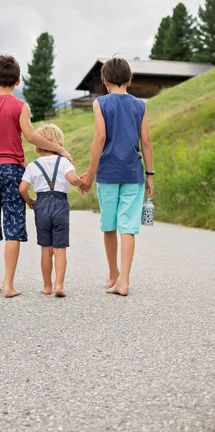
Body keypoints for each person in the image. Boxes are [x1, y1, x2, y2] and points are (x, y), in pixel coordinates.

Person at [0, 55, 72, 298]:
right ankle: (9, 285)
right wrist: (59, 149)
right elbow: (30, 136)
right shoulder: (20, 106)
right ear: (18, 81)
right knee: (13, 226)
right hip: (13, 169)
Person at [80, 57, 154, 296]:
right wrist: (149, 175)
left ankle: (113, 274)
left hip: (108, 174)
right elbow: (146, 142)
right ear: (130, 80)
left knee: (109, 225)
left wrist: (90, 173)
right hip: (133, 173)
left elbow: (100, 137)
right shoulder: (140, 105)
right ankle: (124, 280)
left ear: (105, 80)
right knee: (128, 227)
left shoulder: (100, 103)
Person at [19, 124, 82, 297]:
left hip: (41, 204)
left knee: (45, 249)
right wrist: (80, 182)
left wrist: (30, 201)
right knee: (60, 248)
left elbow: (22, 188)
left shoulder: (33, 165)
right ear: (58, 142)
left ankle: (47, 286)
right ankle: (59, 285)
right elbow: (72, 179)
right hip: (60, 204)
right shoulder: (63, 162)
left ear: (38, 145)